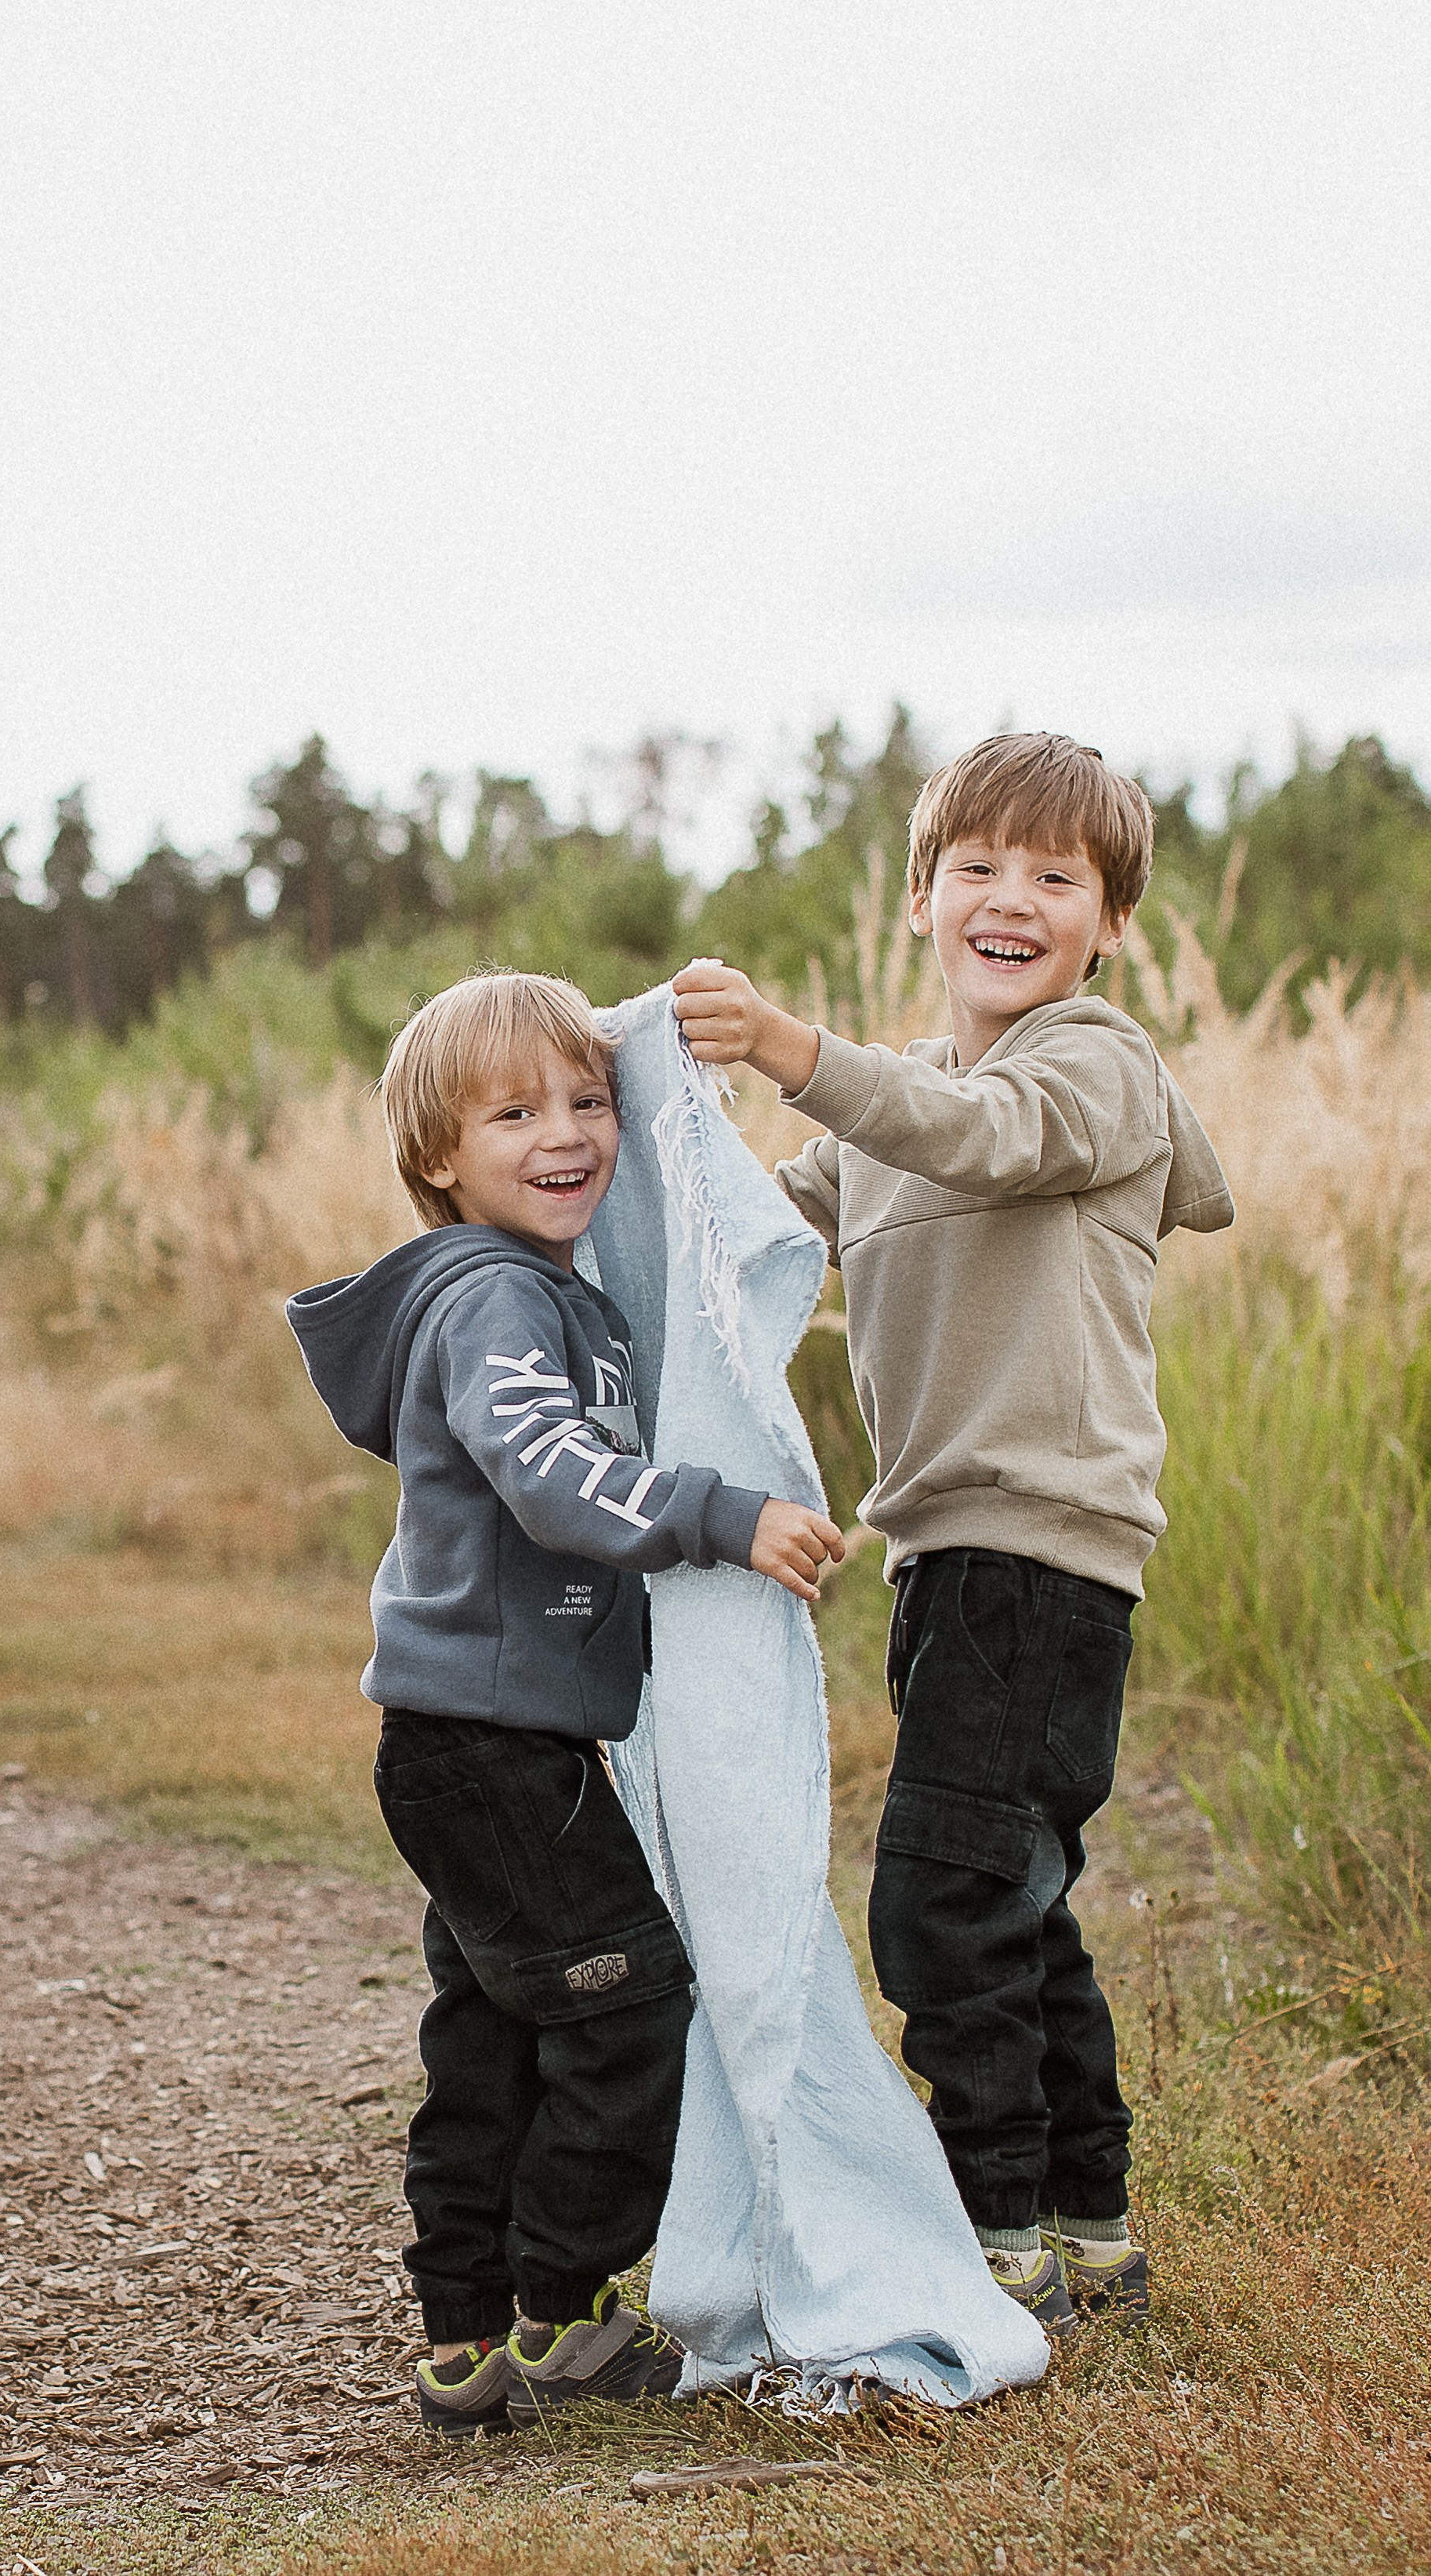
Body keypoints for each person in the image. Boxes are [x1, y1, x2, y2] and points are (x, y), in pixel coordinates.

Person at [672, 732, 1234, 2335]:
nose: (1012, 898)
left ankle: (992, 2226)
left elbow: (980, 1134)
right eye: (977, 866)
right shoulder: (884, 1116)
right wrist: (637, 1127)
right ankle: (1086, 2213)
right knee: (1013, 1893)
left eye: (1055, 875)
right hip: (945, 1560)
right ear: (921, 894)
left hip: (1043, 1558)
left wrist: (794, 1042)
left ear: (1106, 918)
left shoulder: (1093, 1065)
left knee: (938, 1898)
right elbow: (772, 1240)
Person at [287, 969, 846, 2432]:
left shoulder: (546, 1291)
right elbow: (545, 1473)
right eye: (516, 1109)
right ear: (438, 1158)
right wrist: (725, 1514)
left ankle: (463, 2331)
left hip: (474, 1741)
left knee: (488, 2032)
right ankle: (557, 2306)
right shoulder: (491, 1304)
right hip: (486, 1749)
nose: (568, 1131)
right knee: (629, 2007)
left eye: (591, 1098)